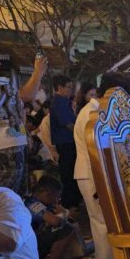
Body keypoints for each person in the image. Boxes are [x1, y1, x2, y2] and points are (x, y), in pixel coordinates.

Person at [73, 72, 130, 259]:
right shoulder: (90, 114)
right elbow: (95, 153)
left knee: (108, 224)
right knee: (103, 226)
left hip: (99, 174)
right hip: (93, 175)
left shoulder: (99, 111)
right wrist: (100, 187)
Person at [0, 43, 48, 196]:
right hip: (3, 147)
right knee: (9, 195)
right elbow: (26, 95)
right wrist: (37, 73)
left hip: (13, 143)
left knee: (18, 194)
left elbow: (18, 109)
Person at [25, 175, 78, 259]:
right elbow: (54, 220)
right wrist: (64, 214)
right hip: (27, 248)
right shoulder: (33, 203)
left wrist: (65, 214)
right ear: (48, 194)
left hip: (32, 244)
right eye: (57, 196)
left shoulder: (45, 203)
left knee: (68, 225)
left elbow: (68, 217)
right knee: (66, 230)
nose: (58, 200)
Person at [49, 74, 81, 207]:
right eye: (68, 87)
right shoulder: (59, 102)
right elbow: (69, 124)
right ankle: (69, 204)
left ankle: (73, 202)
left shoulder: (65, 101)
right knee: (68, 174)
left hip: (68, 142)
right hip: (65, 142)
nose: (71, 90)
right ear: (60, 87)